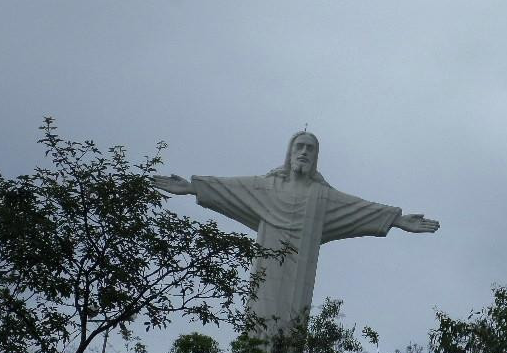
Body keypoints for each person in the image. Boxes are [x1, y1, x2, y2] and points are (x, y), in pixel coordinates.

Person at [153, 131, 438, 336]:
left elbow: (358, 209)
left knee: (290, 331)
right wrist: (193, 188)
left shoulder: (322, 198)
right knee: (258, 327)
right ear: (289, 154)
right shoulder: (266, 188)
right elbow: (230, 188)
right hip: (264, 275)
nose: (303, 152)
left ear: (315, 157)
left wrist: (397, 219)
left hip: (298, 284)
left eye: (309, 149)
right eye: (299, 147)